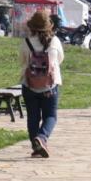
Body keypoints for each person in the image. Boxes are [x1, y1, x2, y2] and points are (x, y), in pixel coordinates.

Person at [21, 10, 65, 158]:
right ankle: (42, 138)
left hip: (30, 85)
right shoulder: (55, 41)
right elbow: (60, 59)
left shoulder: (26, 42)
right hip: (50, 85)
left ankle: (36, 146)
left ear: (32, 27)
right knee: (50, 116)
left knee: (33, 117)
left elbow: (22, 61)